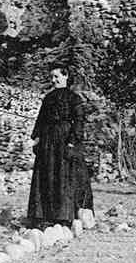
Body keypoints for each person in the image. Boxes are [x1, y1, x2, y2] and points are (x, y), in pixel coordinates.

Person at [27, 64, 94, 230]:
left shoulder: (74, 98)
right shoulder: (48, 98)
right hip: (48, 141)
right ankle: (43, 216)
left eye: (57, 76)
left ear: (66, 77)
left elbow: (79, 122)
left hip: (64, 139)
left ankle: (64, 217)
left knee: (64, 176)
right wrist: (36, 138)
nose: (54, 80)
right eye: (52, 77)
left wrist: (72, 142)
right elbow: (41, 119)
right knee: (46, 175)